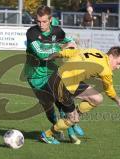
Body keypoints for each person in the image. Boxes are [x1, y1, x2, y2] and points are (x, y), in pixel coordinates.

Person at [40, 46, 120, 144]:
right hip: (62, 86)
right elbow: (109, 90)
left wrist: (55, 55)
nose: (118, 67)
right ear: (111, 56)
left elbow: (70, 52)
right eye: (118, 63)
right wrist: (119, 100)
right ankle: (47, 135)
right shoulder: (106, 70)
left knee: (97, 98)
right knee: (73, 119)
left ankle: (73, 119)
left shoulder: (93, 50)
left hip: (59, 78)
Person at [25, 5, 84, 144]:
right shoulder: (32, 33)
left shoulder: (57, 31)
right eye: (38, 21)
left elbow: (69, 41)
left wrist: (71, 44)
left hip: (52, 72)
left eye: (44, 21)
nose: (41, 24)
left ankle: (68, 128)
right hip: (35, 76)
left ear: (50, 20)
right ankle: (60, 128)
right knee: (48, 107)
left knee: (62, 100)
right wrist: (61, 48)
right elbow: (42, 54)